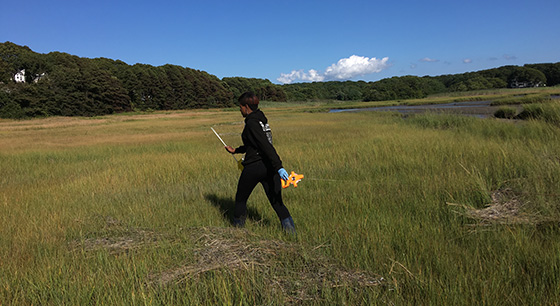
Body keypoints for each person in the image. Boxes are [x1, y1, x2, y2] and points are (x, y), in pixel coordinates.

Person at [224, 92, 296, 233]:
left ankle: (238, 234)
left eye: (240, 107)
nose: (240, 110)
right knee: (277, 202)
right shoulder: (261, 120)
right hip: (269, 167)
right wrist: (236, 150)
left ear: (246, 107)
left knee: (240, 199)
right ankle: (292, 234)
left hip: (255, 167)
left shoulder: (251, 123)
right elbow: (254, 143)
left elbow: (265, 146)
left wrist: (280, 167)